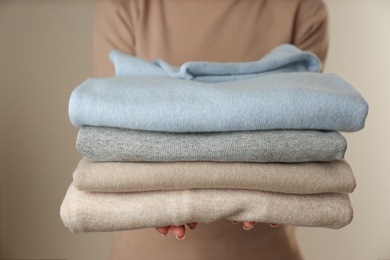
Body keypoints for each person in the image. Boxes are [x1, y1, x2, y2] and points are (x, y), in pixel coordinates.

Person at [93, 0, 329, 259]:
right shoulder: (125, 5)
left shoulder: (301, 7)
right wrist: (153, 202)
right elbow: (115, 132)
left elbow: (299, 135)